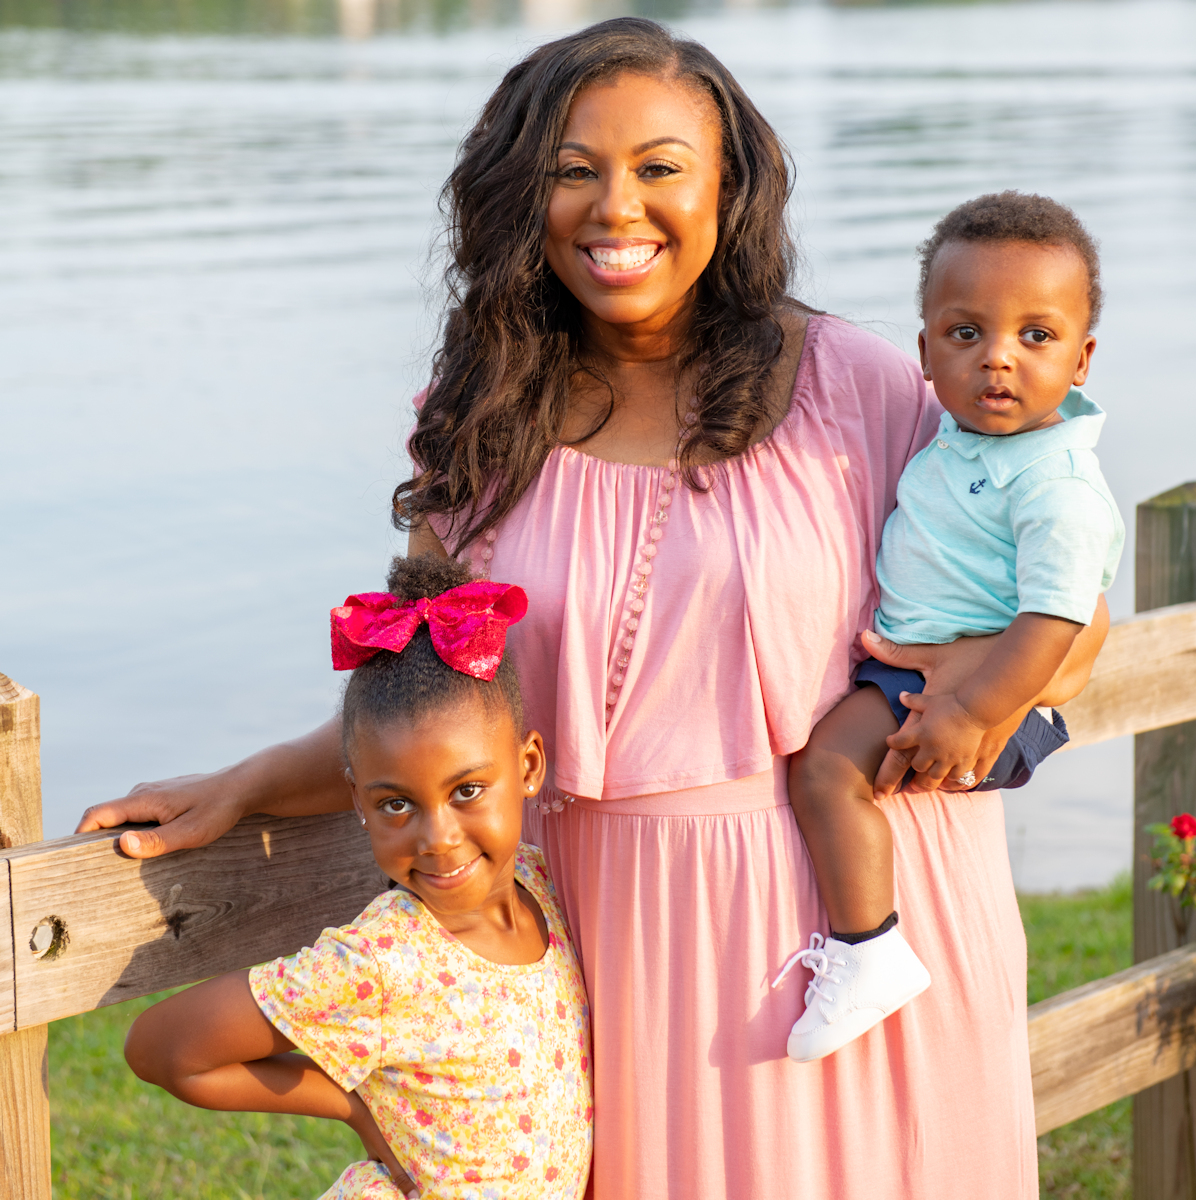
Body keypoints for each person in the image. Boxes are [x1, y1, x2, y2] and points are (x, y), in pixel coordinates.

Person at [84, 19, 1112, 1198]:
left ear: (729, 187)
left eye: (660, 167)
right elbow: (438, 703)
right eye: (575, 170)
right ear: (524, 193)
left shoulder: (861, 386)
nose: (617, 207)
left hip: (865, 921)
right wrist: (245, 786)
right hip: (617, 935)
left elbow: (1061, 622)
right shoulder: (476, 424)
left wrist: (987, 690)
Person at [123, 557, 593, 1200]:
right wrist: (351, 1102)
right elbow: (161, 1049)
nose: (438, 837)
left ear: (530, 766)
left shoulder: (546, 888)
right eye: (396, 804)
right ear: (358, 802)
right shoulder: (381, 963)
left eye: (469, 790)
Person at [778, 192, 1124, 1063]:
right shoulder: (962, 440)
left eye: (1035, 338)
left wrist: (972, 712)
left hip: (969, 694)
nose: (998, 360)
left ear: (1081, 359)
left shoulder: (1057, 483)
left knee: (825, 772)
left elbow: (1058, 619)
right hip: (937, 679)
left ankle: (869, 952)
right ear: (926, 351)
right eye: (966, 335)